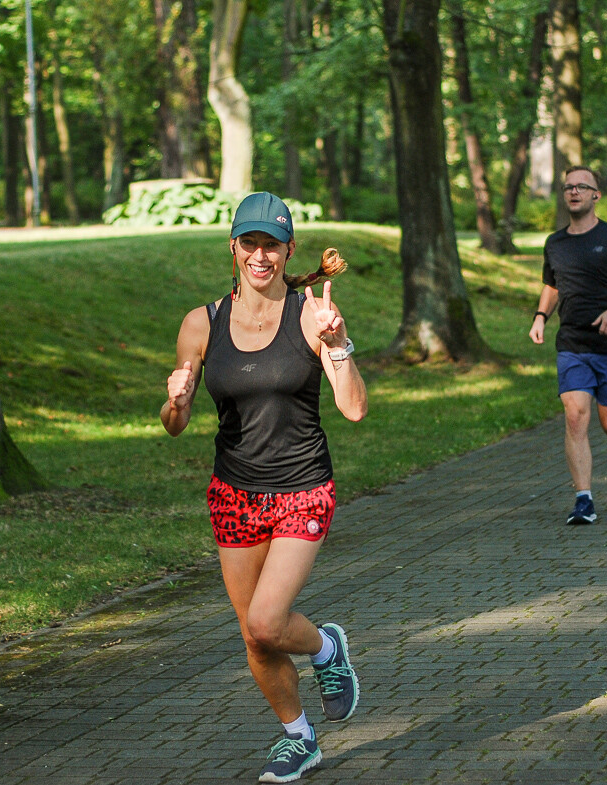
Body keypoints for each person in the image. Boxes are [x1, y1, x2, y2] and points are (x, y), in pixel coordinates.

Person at [161, 192, 368, 783]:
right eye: (248, 243)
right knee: (253, 636)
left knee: (266, 621)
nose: (260, 255)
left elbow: (353, 408)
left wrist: (338, 344)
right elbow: (175, 424)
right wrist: (175, 401)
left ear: (288, 250)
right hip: (234, 492)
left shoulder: (311, 314)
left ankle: (327, 648)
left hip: (303, 487)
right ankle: (298, 737)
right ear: (233, 247)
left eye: (271, 244)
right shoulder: (202, 322)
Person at [529, 166, 607, 526]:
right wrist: (540, 316)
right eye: (568, 187)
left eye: (582, 186)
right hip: (572, 343)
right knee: (575, 415)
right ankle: (584, 499)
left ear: (596, 195)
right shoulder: (555, 243)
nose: (574, 191)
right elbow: (552, 286)